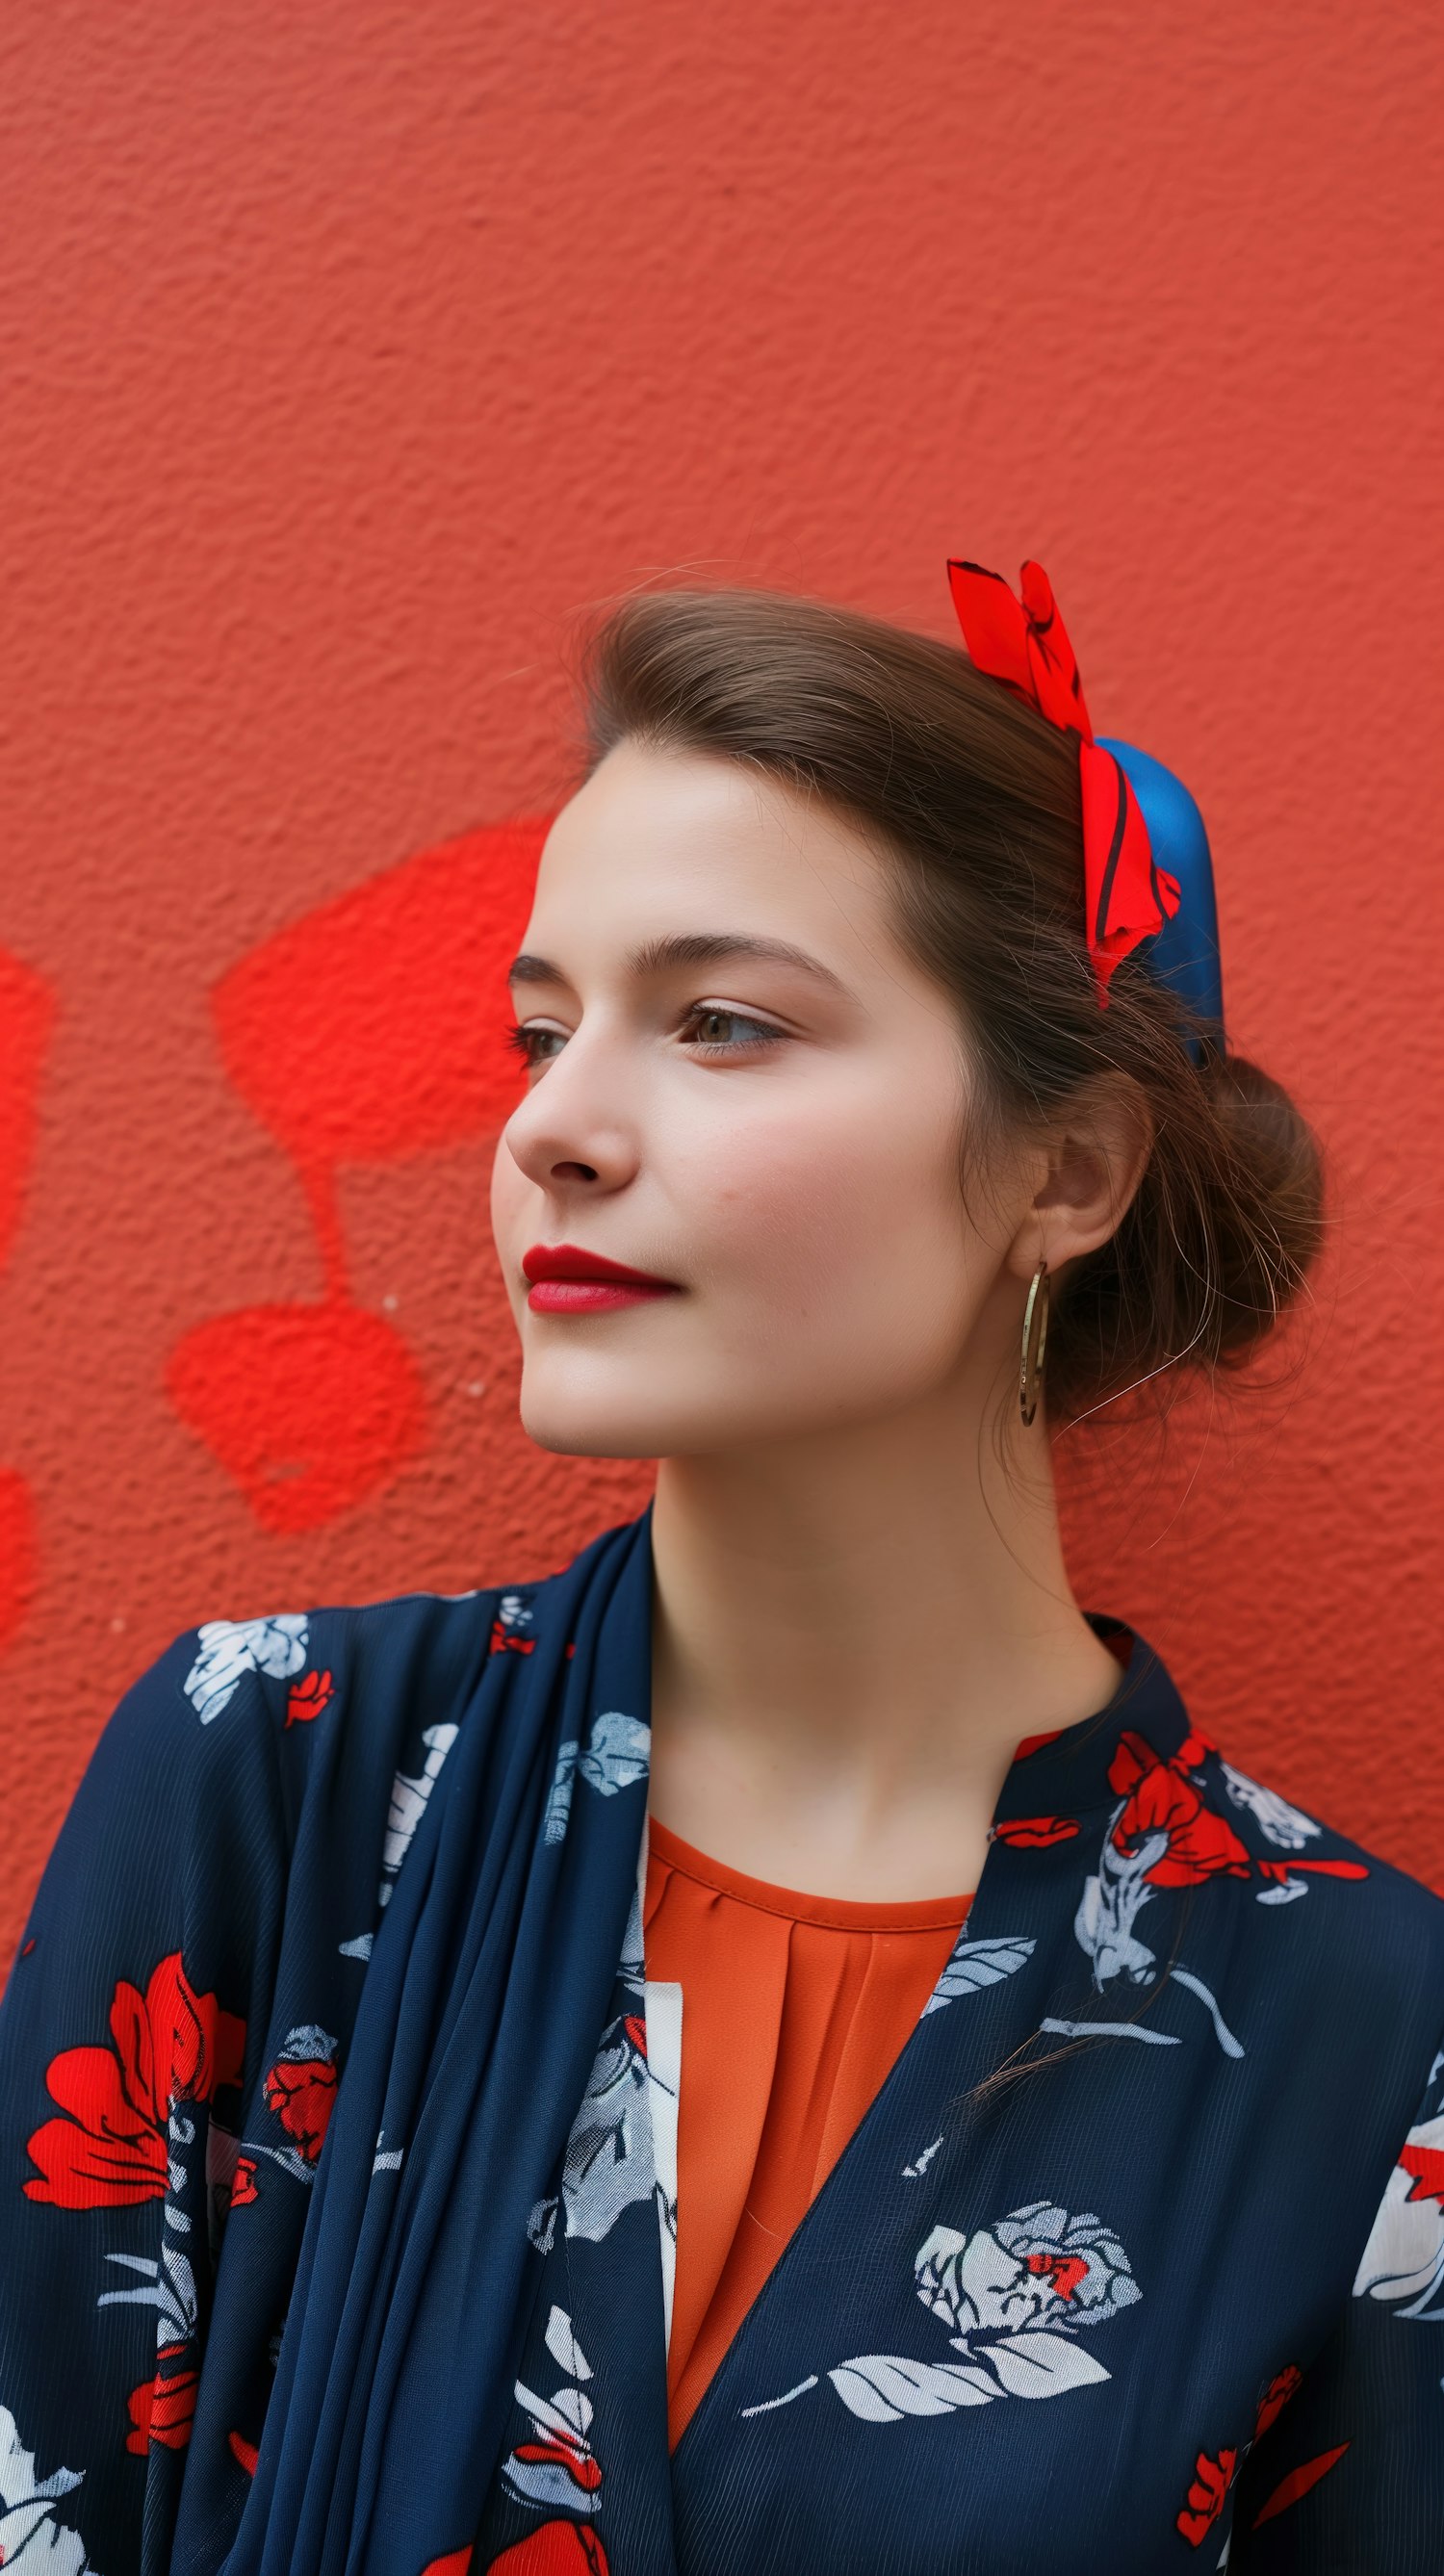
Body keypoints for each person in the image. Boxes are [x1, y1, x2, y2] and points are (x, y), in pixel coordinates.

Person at [0, 558, 1438, 2576]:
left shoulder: (1361, 2032)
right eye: (537, 1028)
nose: (554, 1130)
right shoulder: (271, 1775)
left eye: (725, 1021)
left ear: (1068, 1170)